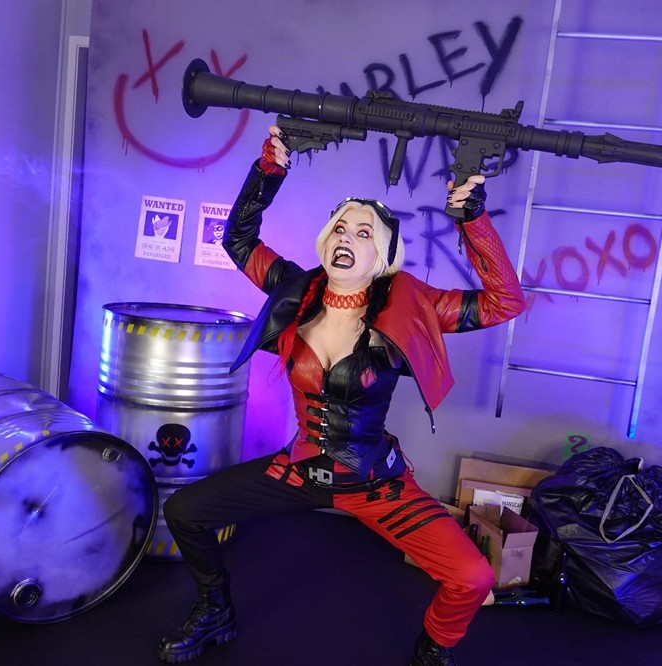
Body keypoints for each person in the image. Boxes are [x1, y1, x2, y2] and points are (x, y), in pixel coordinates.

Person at [157, 126, 526, 666]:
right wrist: (270, 168)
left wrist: (472, 218)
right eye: (340, 227)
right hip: (297, 472)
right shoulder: (295, 288)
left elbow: (504, 302)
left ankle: (434, 648)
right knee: (184, 511)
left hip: (373, 484)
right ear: (326, 239)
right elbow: (237, 238)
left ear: (384, 252)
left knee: (472, 577)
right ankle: (215, 610)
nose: (346, 237)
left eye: (364, 232)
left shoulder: (413, 305)